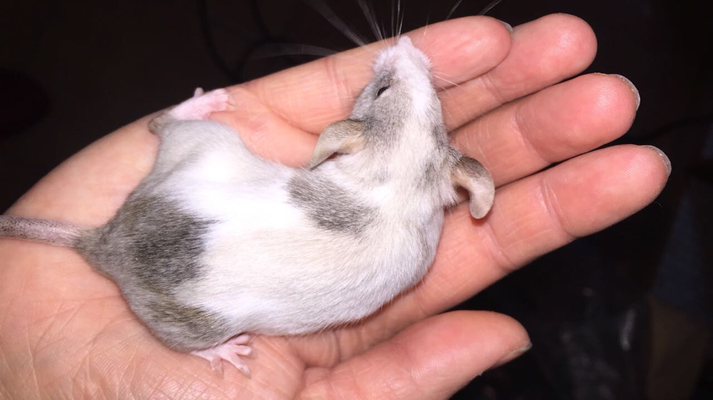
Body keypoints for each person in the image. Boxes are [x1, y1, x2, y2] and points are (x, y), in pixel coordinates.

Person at [0, 14, 669, 399]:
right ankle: (199, 333)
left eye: (385, 88)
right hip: (182, 308)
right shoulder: (413, 253)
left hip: (183, 247)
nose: (402, 59)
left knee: (215, 146)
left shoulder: (342, 170)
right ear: (455, 181)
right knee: (209, 301)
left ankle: (178, 121)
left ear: (341, 148)